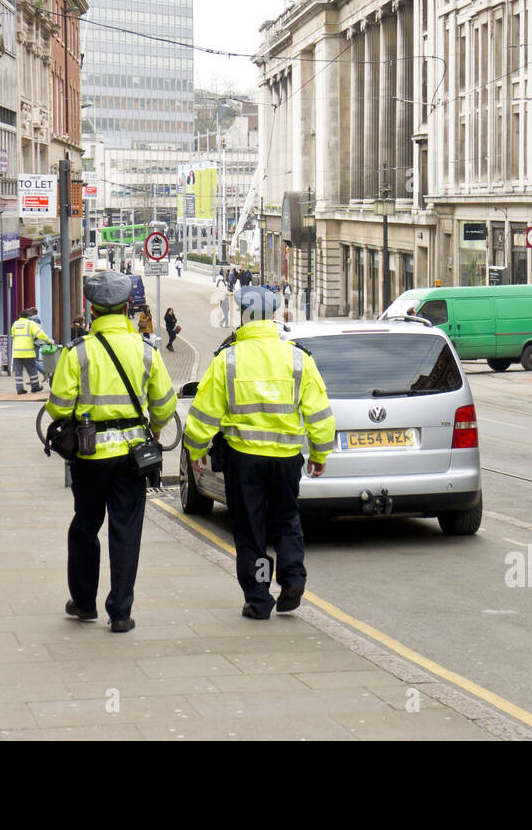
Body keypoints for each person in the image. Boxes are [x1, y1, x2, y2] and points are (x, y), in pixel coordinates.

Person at [183, 286, 336, 620]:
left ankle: (259, 599)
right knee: (286, 519)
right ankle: (293, 578)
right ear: (274, 316)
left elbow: (204, 414)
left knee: (251, 529)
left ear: (243, 316)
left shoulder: (228, 359)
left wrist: (196, 449)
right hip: (286, 458)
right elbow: (320, 414)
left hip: (244, 459)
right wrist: (320, 453)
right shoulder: (298, 358)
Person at [46, 271, 177, 633]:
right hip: (133, 458)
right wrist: (153, 427)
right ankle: (120, 612)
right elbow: (165, 406)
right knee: (125, 531)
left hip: (90, 456)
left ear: (91, 309)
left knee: (86, 526)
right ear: (126, 308)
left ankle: (85, 603)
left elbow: (57, 407)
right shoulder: (147, 351)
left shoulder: (78, 352)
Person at [10, 308, 51, 395]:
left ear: (20, 316)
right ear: (28, 317)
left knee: (18, 372)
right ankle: (35, 387)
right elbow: (40, 334)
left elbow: (13, 334)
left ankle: (20, 389)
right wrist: (48, 341)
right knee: (32, 370)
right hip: (28, 352)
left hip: (17, 353)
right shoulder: (30, 324)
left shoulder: (15, 324)